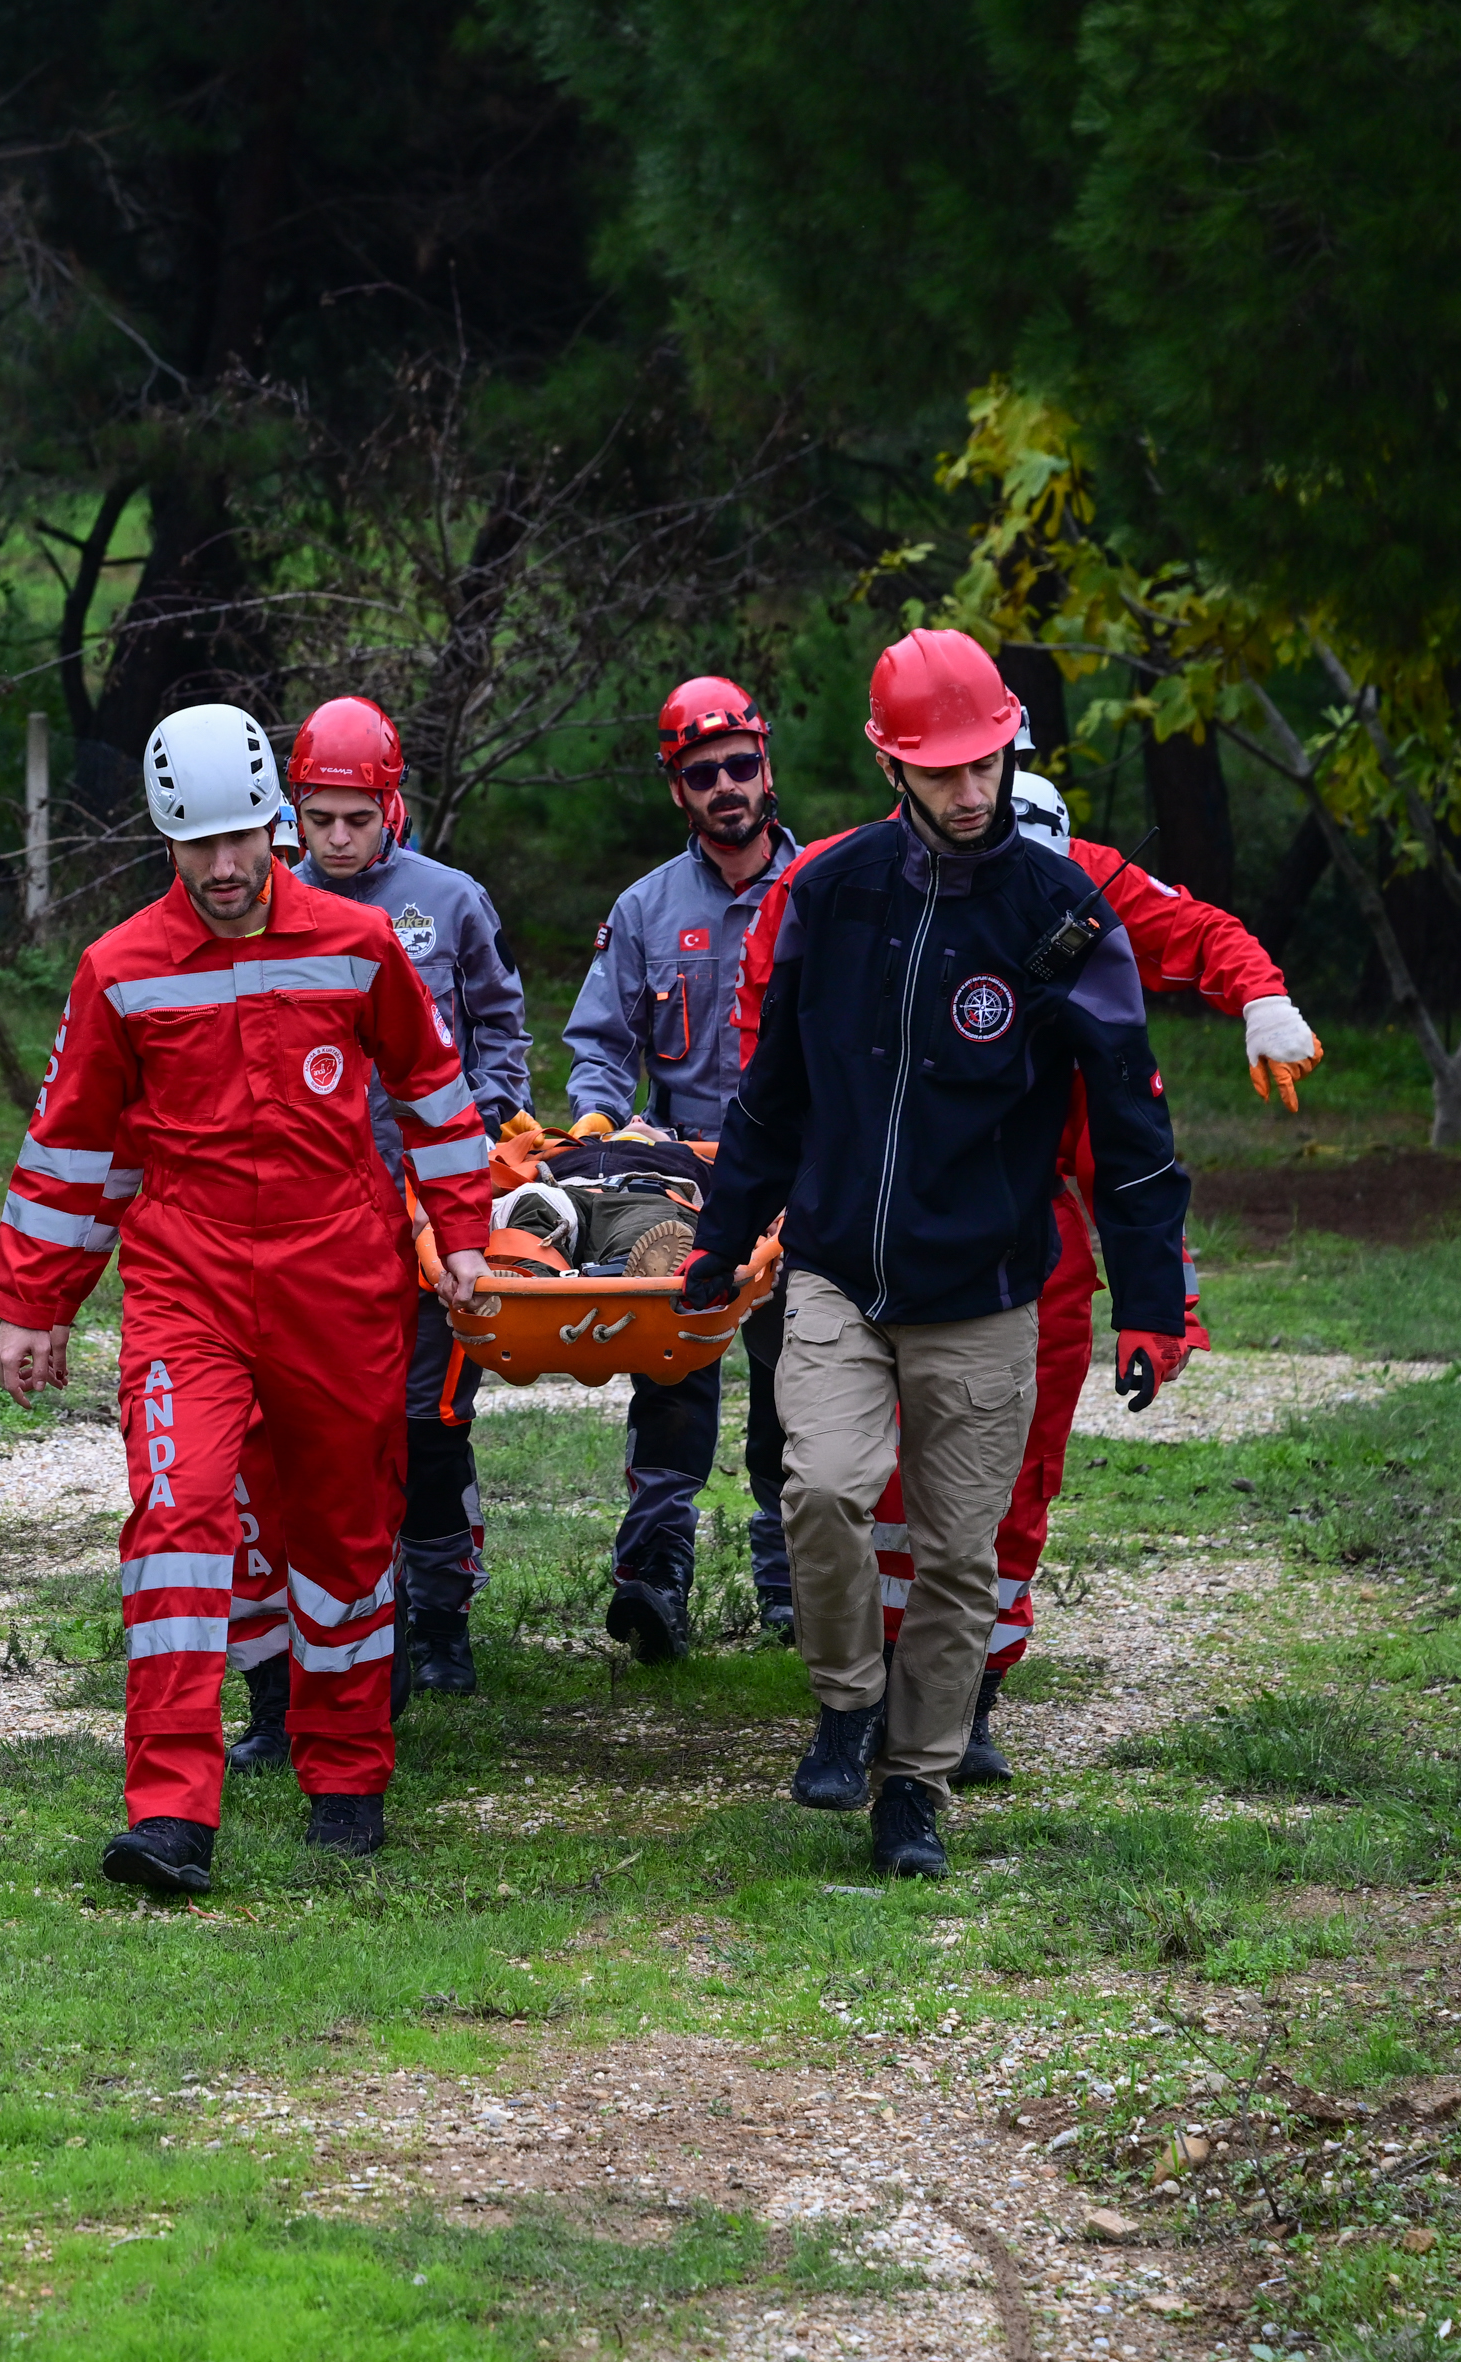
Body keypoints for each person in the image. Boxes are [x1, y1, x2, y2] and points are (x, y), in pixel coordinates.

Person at [679, 628, 1191, 1879]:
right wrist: (722, 1240)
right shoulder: (833, 892)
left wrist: (1150, 1299)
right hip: (840, 1272)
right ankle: (849, 1698)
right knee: (820, 1490)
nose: (972, 790)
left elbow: (1130, 1117)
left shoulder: (1063, 914)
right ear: (892, 765)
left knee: (962, 1556)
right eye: (945, 769)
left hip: (986, 1290)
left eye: (989, 762)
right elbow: (773, 1092)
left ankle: (914, 1789)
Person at [0, 700, 495, 1887]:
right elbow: (74, 1145)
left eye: (243, 839)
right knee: (178, 1516)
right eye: (197, 843)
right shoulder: (120, 969)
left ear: (274, 823)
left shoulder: (359, 945)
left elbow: (431, 1086)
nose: (225, 868)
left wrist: (464, 1235)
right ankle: (171, 1809)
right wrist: (34, 1301)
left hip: (341, 1278)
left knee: (343, 1532)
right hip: (189, 1283)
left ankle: (347, 1768)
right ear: (165, 840)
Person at [733, 761, 1318, 1785]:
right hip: (874, 1207)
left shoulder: (1079, 888)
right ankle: (867, 1702)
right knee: (855, 1476)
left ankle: (968, 1699)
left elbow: (1139, 1138)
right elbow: (772, 1031)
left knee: (1001, 1492)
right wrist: (785, 1191)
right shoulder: (849, 880)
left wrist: (1261, 998)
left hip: (1025, 1218)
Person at [560, 676, 807, 1658]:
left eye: (741, 764)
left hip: (799, 1179)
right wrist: (598, 1121)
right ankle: (654, 1576)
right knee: (673, 1376)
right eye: (701, 774)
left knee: (802, 1384)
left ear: (767, 764)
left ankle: (795, 1586)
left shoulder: (823, 888)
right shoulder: (645, 909)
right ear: (678, 790)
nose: (726, 787)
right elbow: (601, 1041)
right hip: (683, 1183)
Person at [289, 698, 529, 1703]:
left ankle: (440, 1613)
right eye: (319, 817)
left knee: (430, 1425)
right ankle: (352, 1625)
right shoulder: (264, 903)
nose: (339, 838)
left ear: (392, 803)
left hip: (436, 1208)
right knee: (336, 1426)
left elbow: (500, 1022)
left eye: (356, 816)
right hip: (319, 1213)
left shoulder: (450, 900)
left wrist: (499, 1120)